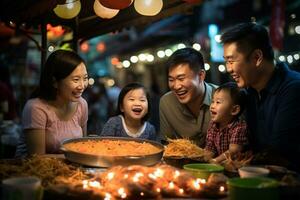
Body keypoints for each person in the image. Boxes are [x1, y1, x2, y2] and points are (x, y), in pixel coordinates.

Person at [221, 22, 300, 170]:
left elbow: (279, 153)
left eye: (231, 61)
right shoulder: (249, 93)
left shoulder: (293, 88)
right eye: (226, 61)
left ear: (257, 57)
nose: (228, 69)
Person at [15, 49, 89, 157]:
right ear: (55, 82)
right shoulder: (36, 108)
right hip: (31, 171)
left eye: (85, 78)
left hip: (70, 169)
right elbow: (37, 157)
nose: (82, 86)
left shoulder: (82, 105)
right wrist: (75, 157)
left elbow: (83, 146)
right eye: (76, 79)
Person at [159, 47, 217, 147]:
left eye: (181, 78)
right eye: (171, 80)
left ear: (201, 75)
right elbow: (168, 145)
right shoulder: (166, 103)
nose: (176, 86)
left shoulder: (225, 98)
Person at [204, 82, 248, 164]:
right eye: (212, 101)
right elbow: (210, 147)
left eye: (218, 102)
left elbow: (233, 151)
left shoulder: (239, 127)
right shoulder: (213, 125)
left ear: (234, 110)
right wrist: (204, 158)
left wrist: (215, 160)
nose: (212, 106)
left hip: (236, 164)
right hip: (220, 164)